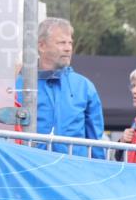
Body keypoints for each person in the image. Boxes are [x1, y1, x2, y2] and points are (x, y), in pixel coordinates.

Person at [17, 17, 104, 157]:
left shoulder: (84, 87)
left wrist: (100, 172)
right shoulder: (19, 85)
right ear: (41, 46)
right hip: (29, 170)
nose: (68, 48)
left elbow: (96, 141)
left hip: (73, 173)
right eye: (61, 42)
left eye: (70, 43)